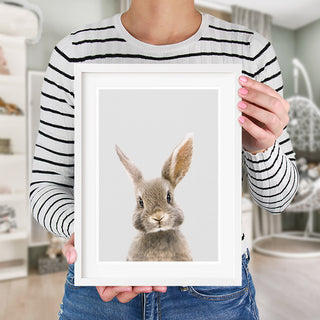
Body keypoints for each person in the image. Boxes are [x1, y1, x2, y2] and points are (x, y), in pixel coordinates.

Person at [29, 0, 299, 319]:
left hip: (212, 293)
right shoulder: (74, 51)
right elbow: (45, 187)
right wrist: (95, 236)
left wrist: (262, 147)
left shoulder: (250, 51)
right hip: (104, 288)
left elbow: (278, 199)